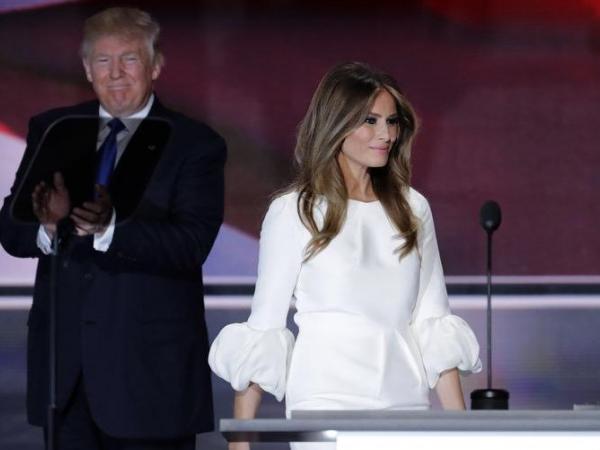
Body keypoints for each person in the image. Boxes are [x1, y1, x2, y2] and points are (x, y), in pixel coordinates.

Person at [209, 62, 481, 449]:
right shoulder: (295, 211)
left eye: (392, 122)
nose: (386, 134)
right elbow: (265, 328)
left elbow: (433, 321)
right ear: (336, 124)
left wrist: (465, 434)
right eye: (370, 121)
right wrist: (240, 442)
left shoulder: (413, 208)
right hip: (325, 406)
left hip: (405, 406)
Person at [0, 7, 226, 450]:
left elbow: (191, 244)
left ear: (155, 66)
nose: (116, 73)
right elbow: (12, 230)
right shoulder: (54, 129)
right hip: (66, 379)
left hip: (149, 380)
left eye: (130, 59)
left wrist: (110, 231)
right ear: (87, 69)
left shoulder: (194, 143)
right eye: (103, 60)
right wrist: (48, 227)